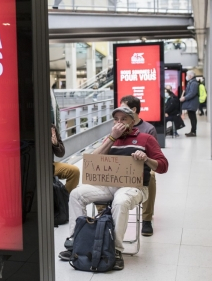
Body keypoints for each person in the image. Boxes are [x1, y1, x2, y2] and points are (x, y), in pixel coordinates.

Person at [59, 106, 168, 270]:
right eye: (116, 119)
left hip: (134, 187)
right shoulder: (110, 139)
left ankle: (114, 249)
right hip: (108, 185)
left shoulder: (145, 139)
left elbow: (163, 166)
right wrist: (111, 138)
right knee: (76, 194)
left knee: (120, 201)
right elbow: (92, 161)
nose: (119, 122)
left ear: (133, 121)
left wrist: (146, 159)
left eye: (123, 119)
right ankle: (77, 241)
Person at [119, 95, 157, 236]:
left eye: (124, 109)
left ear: (134, 110)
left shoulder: (148, 129)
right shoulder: (118, 128)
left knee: (151, 177)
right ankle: (104, 215)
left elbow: (154, 158)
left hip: (141, 168)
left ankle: (146, 219)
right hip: (120, 169)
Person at [51, 125, 80, 193]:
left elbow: (61, 153)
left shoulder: (51, 128)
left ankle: (65, 198)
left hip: (50, 165)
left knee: (74, 171)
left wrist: (56, 144)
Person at [180, 70, 199, 136]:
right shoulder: (191, 82)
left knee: (192, 117)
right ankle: (192, 131)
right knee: (191, 117)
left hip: (192, 103)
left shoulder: (194, 83)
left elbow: (192, 93)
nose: (186, 76)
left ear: (191, 75)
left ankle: (193, 131)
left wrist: (184, 98)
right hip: (191, 103)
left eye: (187, 75)